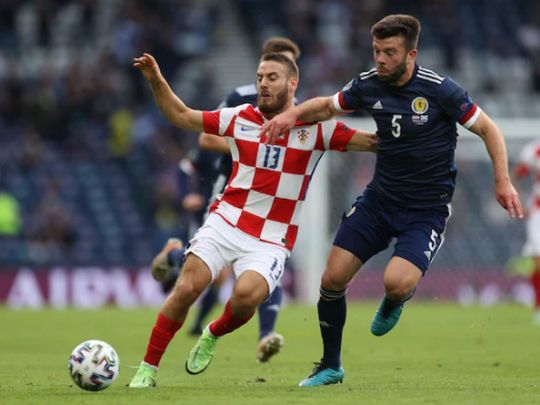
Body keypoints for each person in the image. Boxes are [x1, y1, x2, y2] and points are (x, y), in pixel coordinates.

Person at [260, 14, 523, 387]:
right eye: (377, 51)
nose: (381, 59)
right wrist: (290, 117)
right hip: (379, 201)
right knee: (332, 278)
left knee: (395, 283)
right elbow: (326, 106)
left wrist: (503, 181)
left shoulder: (441, 90)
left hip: (426, 210)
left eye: (389, 52)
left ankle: (397, 298)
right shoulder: (368, 84)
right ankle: (330, 366)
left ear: (411, 54)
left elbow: (488, 129)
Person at [128, 51, 377, 388]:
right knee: (186, 286)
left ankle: (212, 332)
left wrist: (416, 130)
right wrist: (156, 80)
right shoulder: (240, 117)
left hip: (272, 238)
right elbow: (181, 115)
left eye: (272, 77)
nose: (263, 84)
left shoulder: (318, 128)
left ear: (292, 83)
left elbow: (373, 143)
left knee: (246, 298)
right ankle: (147, 368)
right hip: (227, 220)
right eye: (260, 77)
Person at [153, 37, 302, 364]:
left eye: (286, 66)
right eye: (267, 71)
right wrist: (254, 146)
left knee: (261, 274)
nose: (270, 80)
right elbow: (205, 138)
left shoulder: (299, 112)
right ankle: (175, 256)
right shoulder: (241, 99)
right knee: (211, 274)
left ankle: (263, 335)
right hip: (230, 190)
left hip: (272, 208)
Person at [512, 138, 540, 325]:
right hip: (538, 212)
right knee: (538, 260)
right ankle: (539, 307)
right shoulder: (535, 150)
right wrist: (519, 200)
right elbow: (517, 174)